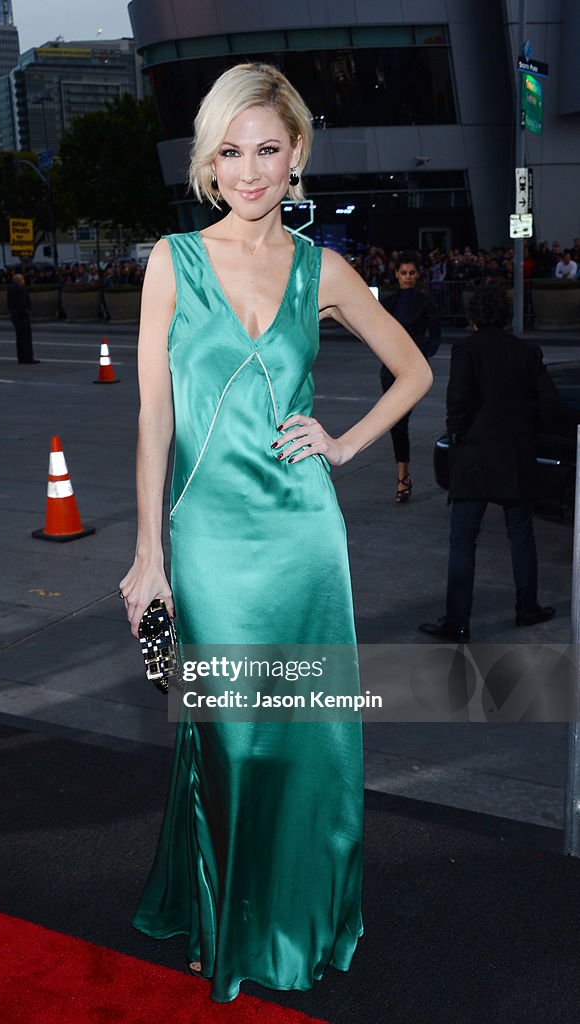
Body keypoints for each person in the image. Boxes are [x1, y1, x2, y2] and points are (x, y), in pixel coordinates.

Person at [118, 63, 431, 1004]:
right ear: (209, 162)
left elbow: (414, 370)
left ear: (296, 155)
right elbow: (153, 419)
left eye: (267, 149)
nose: (249, 171)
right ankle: (228, 919)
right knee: (234, 741)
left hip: (302, 537)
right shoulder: (172, 260)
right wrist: (147, 555)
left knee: (308, 739)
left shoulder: (323, 269)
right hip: (209, 540)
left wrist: (342, 444)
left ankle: (302, 922)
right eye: (230, 151)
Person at [419, 285, 559, 642]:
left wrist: (458, 436)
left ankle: (457, 620)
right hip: (514, 455)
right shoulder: (527, 351)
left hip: (475, 457)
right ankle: (527, 607)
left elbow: (458, 400)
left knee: (464, 539)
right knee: (521, 535)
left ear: (475, 317)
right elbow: (548, 405)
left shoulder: (466, 349)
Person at [380, 252, 441, 502]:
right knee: (395, 424)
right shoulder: (389, 301)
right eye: (403, 273)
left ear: (418, 275)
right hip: (389, 368)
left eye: (411, 273)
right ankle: (403, 476)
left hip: (412, 370)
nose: (407, 277)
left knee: (400, 422)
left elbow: (435, 337)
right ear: (396, 274)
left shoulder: (426, 302)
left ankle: (402, 478)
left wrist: (419, 356)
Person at [6, 273, 39, 364]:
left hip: (17, 317)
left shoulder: (11, 291)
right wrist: (26, 311)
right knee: (25, 338)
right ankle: (27, 357)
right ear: (19, 281)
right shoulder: (19, 291)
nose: (24, 281)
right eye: (22, 280)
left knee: (20, 338)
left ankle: (22, 357)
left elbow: (10, 305)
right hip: (22, 317)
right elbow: (22, 304)